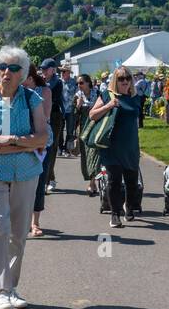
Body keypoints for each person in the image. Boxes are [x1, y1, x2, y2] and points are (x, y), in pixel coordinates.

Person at [0, 47, 48, 309]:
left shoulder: (32, 98)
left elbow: (44, 137)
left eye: (14, 68)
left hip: (26, 174)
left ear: (24, 73)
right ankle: (1, 292)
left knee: (18, 233)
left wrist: (11, 140)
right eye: (3, 66)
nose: (7, 72)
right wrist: (25, 143)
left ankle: (12, 287)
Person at [89, 66, 142, 228]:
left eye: (127, 78)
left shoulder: (135, 97)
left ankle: (129, 207)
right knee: (114, 181)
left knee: (132, 182)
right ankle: (115, 214)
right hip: (111, 146)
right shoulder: (107, 96)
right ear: (115, 81)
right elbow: (92, 114)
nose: (125, 81)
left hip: (131, 146)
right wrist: (109, 106)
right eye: (121, 78)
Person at [28, 65, 55, 237]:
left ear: (29, 77)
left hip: (40, 141)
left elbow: (45, 117)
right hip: (18, 141)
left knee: (38, 180)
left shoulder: (43, 91)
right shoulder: (13, 91)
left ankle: (35, 223)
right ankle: (19, 220)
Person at [40, 59, 65, 191]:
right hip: (42, 115)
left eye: (46, 68)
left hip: (55, 116)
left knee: (52, 147)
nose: (43, 71)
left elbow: (51, 97)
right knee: (44, 147)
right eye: (42, 68)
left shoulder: (57, 82)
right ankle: (50, 178)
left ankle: (48, 180)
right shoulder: (42, 81)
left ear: (53, 69)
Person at [75, 73, 102, 196]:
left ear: (88, 83)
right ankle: (92, 181)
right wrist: (78, 106)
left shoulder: (97, 94)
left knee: (94, 154)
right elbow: (73, 115)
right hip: (83, 130)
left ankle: (92, 183)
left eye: (81, 83)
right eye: (77, 83)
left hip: (95, 128)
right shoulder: (77, 96)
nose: (79, 85)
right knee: (85, 156)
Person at [60, 66, 78, 154]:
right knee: (60, 129)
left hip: (70, 109)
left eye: (64, 71)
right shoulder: (59, 82)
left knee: (70, 130)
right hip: (61, 109)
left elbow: (78, 94)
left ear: (68, 72)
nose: (62, 73)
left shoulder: (74, 82)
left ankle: (67, 148)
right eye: (61, 71)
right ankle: (60, 148)